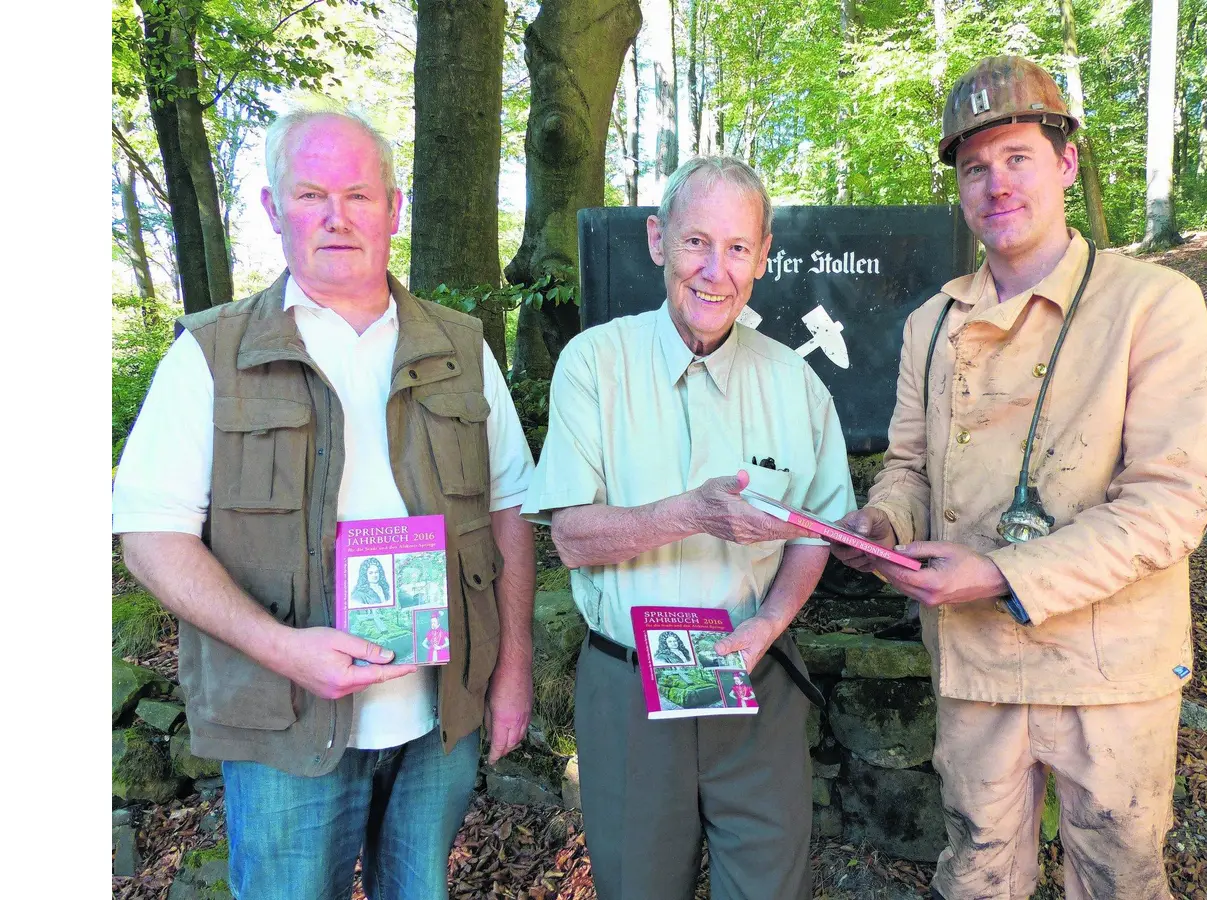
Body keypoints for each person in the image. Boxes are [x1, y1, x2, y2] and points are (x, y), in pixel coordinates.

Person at [112, 103, 537, 900]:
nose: (337, 218)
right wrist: (282, 648)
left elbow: (510, 510)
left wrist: (512, 671)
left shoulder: (461, 346)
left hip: (436, 718)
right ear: (274, 211)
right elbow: (149, 535)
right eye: (311, 195)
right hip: (286, 720)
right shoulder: (212, 353)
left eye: (358, 195)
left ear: (393, 208)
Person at [834, 56, 1207, 900]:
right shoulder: (930, 325)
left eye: (1017, 158)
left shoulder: (1153, 304)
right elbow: (906, 467)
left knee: (1118, 877)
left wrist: (1003, 572)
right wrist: (885, 525)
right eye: (975, 167)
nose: (996, 184)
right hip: (974, 663)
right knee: (976, 870)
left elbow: (1172, 503)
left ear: (1067, 163)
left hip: (1111, 670)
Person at [520, 156, 854, 900]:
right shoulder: (594, 364)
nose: (715, 270)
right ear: (656, 241)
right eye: (696, 241)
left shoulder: (796, 383)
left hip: (754, 677)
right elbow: (571, 536)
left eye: (737, 248)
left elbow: (812, 533)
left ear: (763, 257)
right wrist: (693, 513)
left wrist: (771, 621)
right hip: (629, 686)